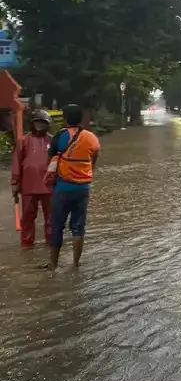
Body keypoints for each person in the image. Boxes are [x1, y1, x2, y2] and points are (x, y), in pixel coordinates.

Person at [45, 104, 100, 270]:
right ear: (81, 118)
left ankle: (53, 264)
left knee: (57, 226)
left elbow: (49, 160)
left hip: (62, 188)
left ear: (65, 118)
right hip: (83, 189)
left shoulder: (60, 136)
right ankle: (76, 263)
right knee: (78, 227)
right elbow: (94, 159)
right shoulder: (91, 138)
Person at [10, 109, 55, 248]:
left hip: (49, 186)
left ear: (48, 125)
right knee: (27, 219)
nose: (40, 125)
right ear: (32, 123)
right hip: (28, 186)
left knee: (51, 219)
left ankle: (52, 243)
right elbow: (17, 162)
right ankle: (27, 245)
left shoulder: (52, 140)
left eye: (43, 123)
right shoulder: (24, 141)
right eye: (37, 122)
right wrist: (14, 183)